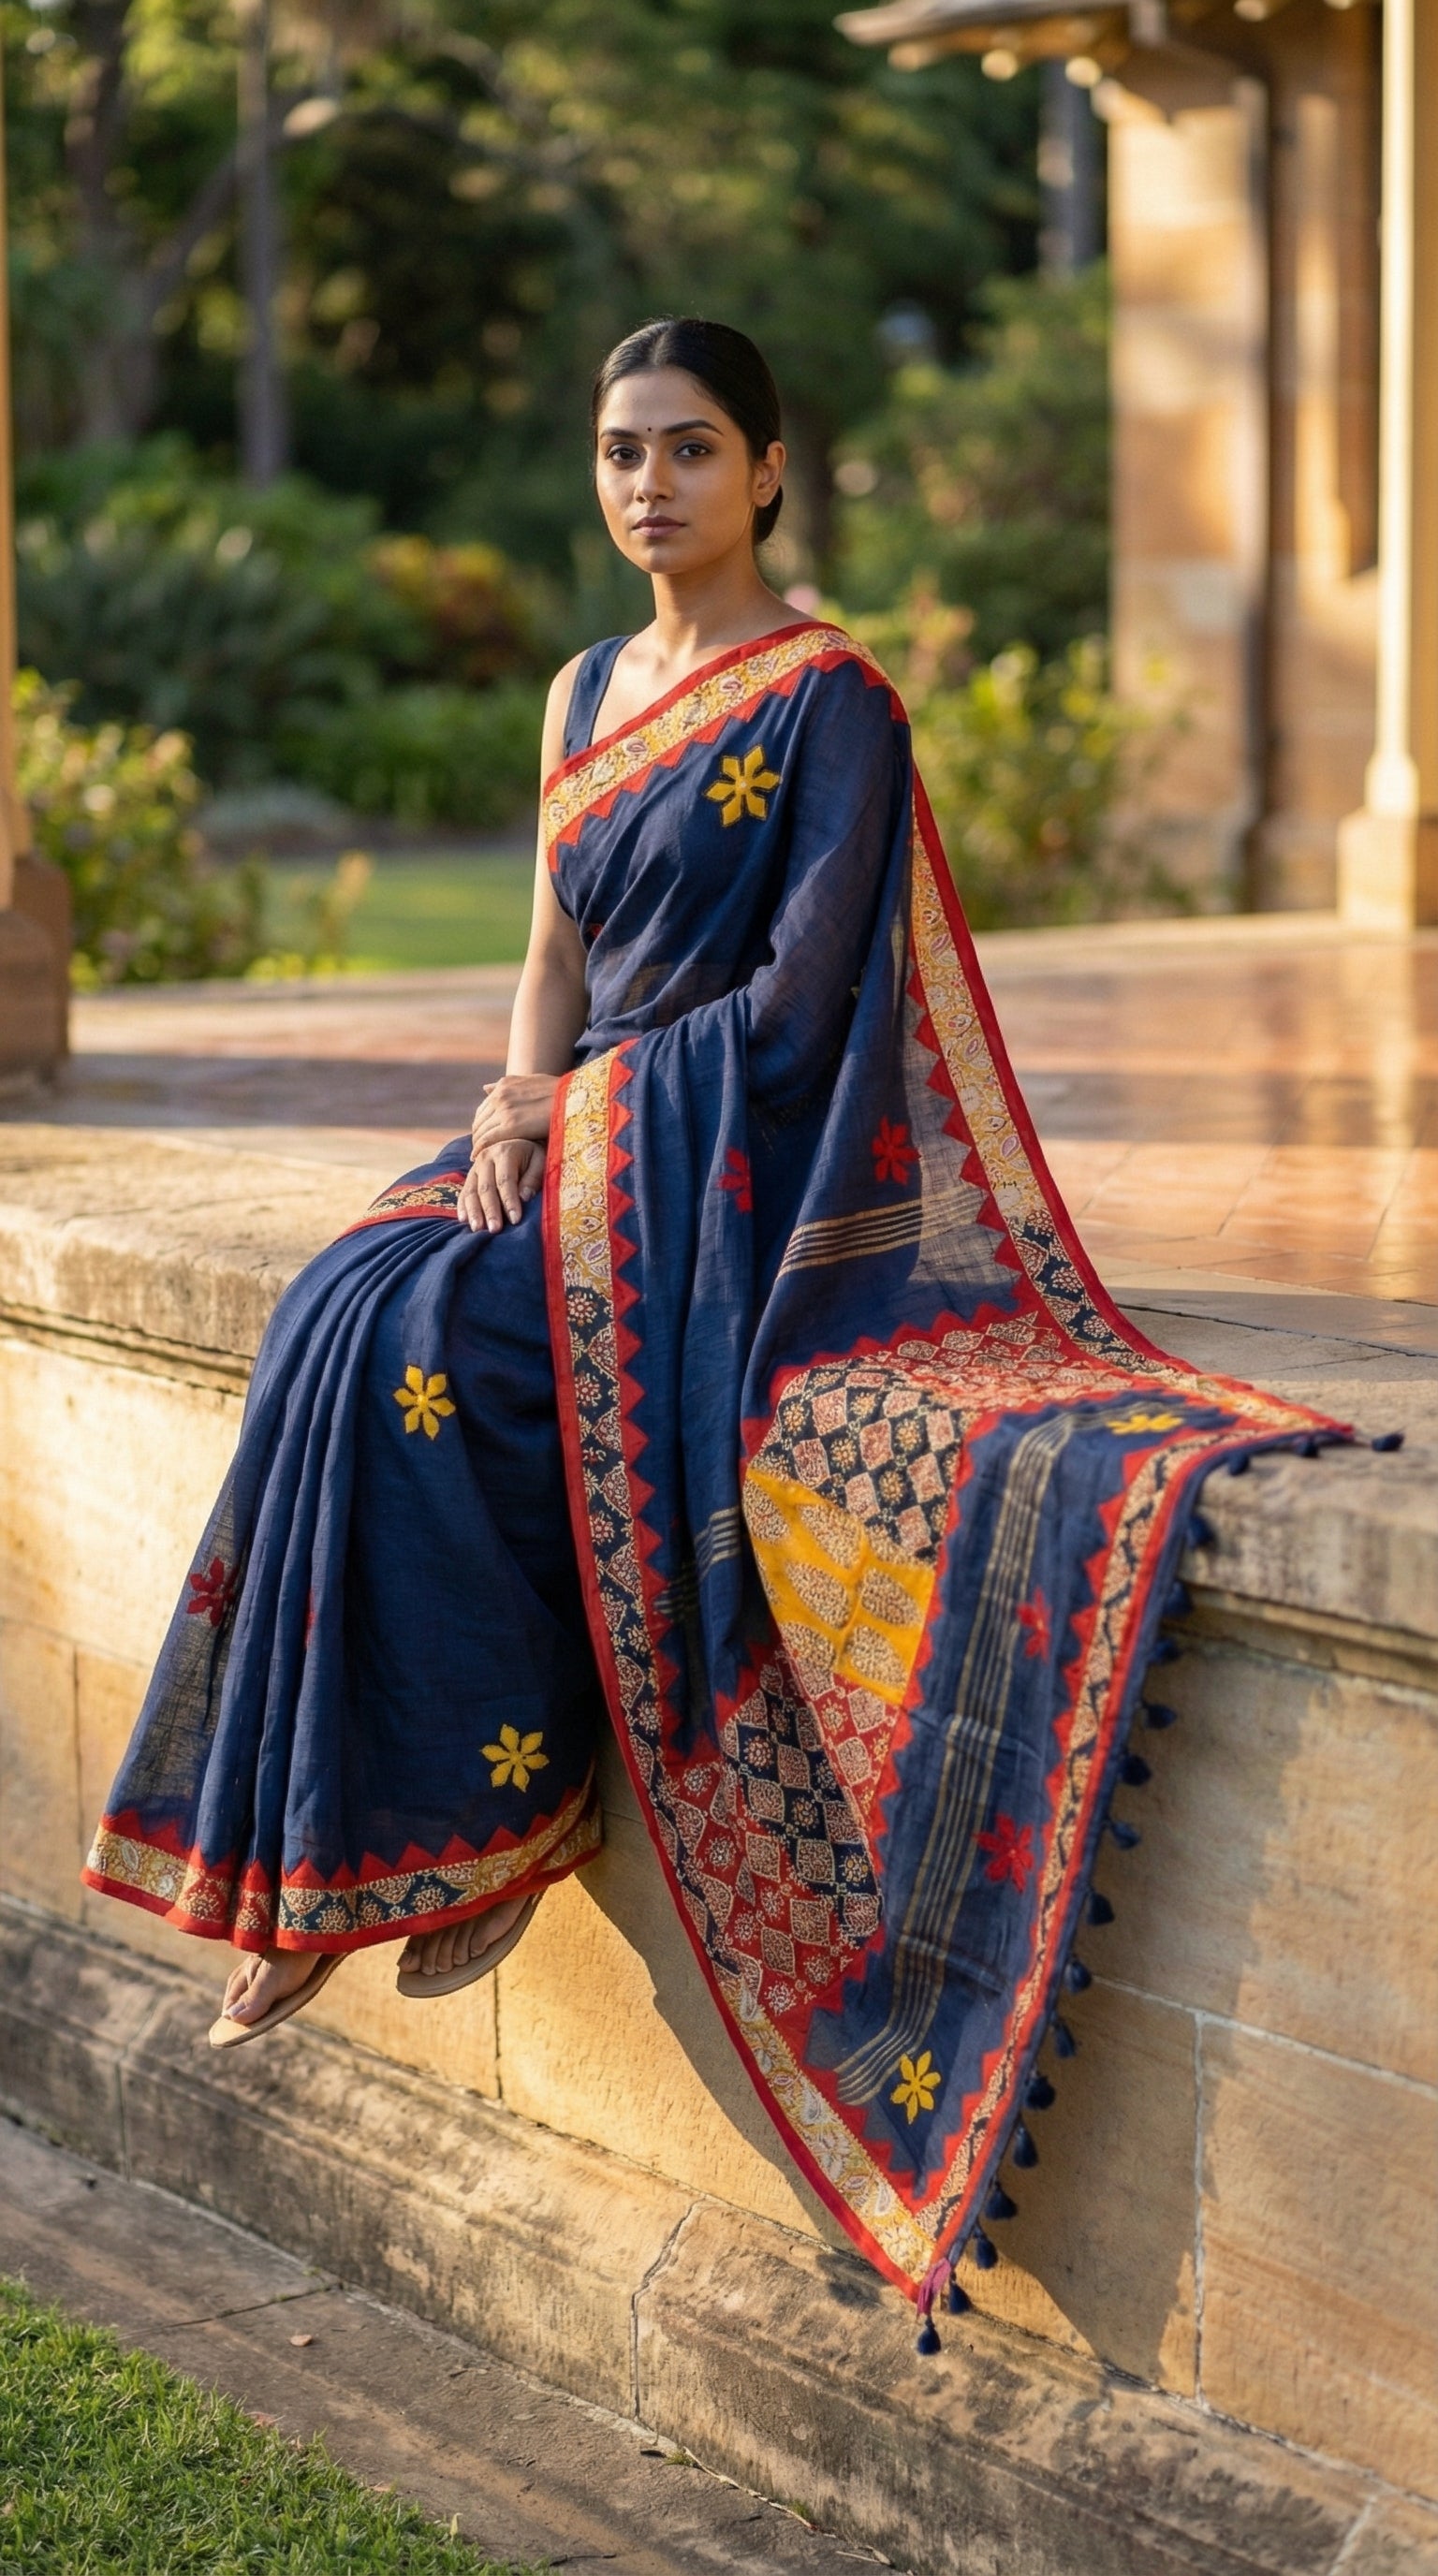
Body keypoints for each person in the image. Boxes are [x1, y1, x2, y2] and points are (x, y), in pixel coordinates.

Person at [84, 318, 1328, 2333]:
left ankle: (472, 1821)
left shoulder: (831, 698)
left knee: (447, 1363)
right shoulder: (591, 684)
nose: (645, 484)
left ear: (764, 474)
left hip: (737, 1171)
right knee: (339, 1303)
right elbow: (554, 940)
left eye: (686, 450)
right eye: (614, 451)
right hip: (577, 1129)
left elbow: (802, 1001)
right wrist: (513, 1097)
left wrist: (581, 1121)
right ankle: (324, 1857)